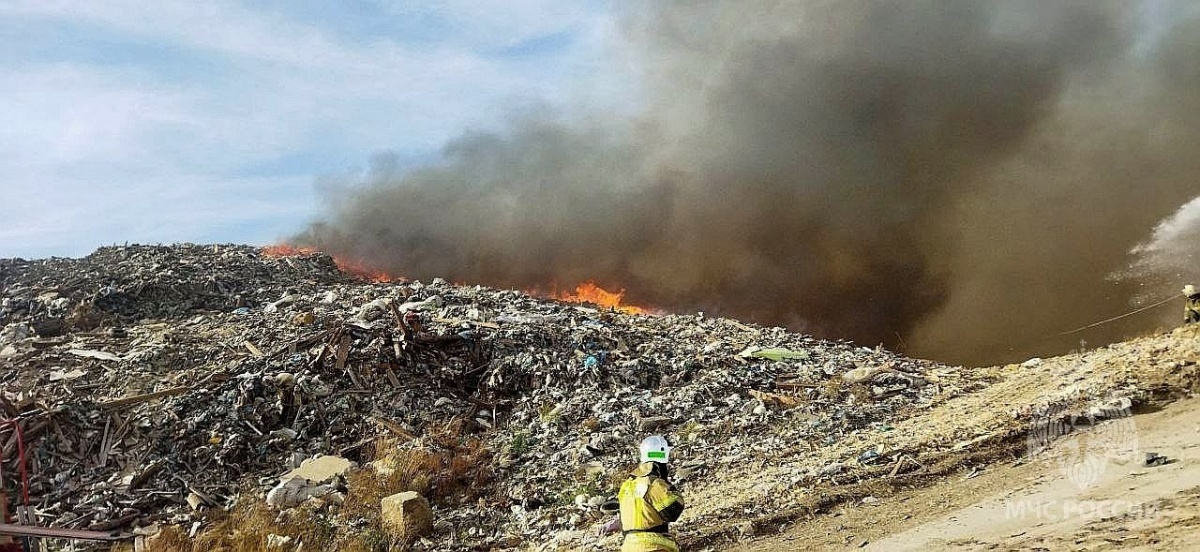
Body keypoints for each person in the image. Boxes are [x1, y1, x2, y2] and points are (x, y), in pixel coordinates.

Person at [601, 435, 685, 552]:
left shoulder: (627, 485)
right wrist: (671, 489)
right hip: (653, 547)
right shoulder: (653, 483)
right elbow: (673, 510)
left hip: (628, 547)